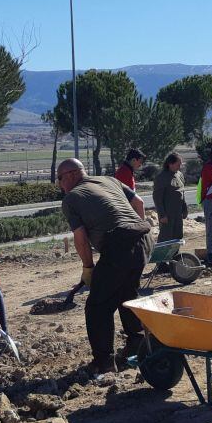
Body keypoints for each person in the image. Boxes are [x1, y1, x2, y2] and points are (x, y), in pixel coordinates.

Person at [57, 158, 153, 376]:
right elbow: (138, 203)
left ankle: (104, 362)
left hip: (119, 243)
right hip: (144, 239)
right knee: (126, 293)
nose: (60, 186)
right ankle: (137, 344)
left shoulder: (72, 198)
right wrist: (135, 230)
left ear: (70, 175)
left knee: (97, 307)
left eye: (59, 180)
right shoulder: (109, 180)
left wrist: (88, 268)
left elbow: (80, 238)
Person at [151, 152, 188, 243]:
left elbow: (182, 193)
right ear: (170, 164)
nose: (180, 167)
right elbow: (157, 198)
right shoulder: (161, 178)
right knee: (166, 239)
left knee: (178, 237)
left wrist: (185, 209)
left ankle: (175, 256)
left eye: (181, 164)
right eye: (178, 164)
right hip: (167, 215)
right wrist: (162, 215)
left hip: (178, 214)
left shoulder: (179, 175)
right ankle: (161, 257)